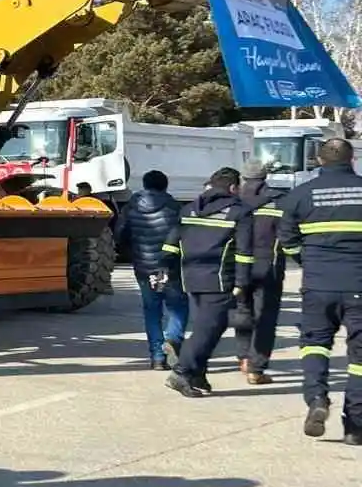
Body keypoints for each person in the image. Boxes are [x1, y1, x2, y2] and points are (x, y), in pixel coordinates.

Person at [277, 138, 362, 443]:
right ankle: (355, 426)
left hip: (317, 284)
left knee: (315, 345)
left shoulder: (300, 195)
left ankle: (316, 400)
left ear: (320, 161)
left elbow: (287, 241)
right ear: (351, 160)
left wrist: (309, 261)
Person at [163, 166, 247, 398]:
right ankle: (182, 371)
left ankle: (198, 373)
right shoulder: (239, 212)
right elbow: (244, 253)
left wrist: (165, 269)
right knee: (206, 329)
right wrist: (242, 282)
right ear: (233, 188)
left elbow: (171, 243)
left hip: (191, 278)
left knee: (213, 326)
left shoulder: (189, 209)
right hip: (219, 280)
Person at [114, 170, 189, 368]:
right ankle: (173, 339)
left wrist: (132, 252)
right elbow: (184, 234)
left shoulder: (131, 206)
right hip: (170, 266)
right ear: (165, 186)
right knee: (178, 306)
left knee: (152, 310)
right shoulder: (173, 206)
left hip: (143, 266)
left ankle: (157, 357)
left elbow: (121, 233)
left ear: (145, 186)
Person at [231, 161, 286, 385]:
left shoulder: (234, 201)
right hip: (268, 267)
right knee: (265, 317)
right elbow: (289, 233)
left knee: (243, 312)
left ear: (243, 178)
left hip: (239, 267)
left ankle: (244, 358)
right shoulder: (279, 201)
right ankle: (256, 368)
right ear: (265, 178)